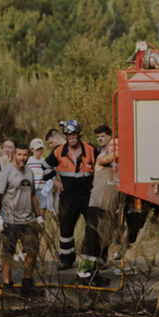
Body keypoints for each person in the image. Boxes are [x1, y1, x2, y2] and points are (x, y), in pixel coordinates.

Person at [42, 119, 98, 270]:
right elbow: (45, 167)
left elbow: (102, 166)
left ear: (79, 134)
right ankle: (66, 260)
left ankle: (94, 260)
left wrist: (97, 185)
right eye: (68, 134)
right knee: (66, 229)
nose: (71, 137)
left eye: (74, 134)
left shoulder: (91, 149)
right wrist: (55, 178)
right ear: (65, 136)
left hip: (88, 196)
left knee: (93, 228)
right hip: (67, 197)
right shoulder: (59, 151)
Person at [0, 144, 44, 296]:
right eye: (20, 155)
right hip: (10, 219)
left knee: (32, 251)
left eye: (25, 155)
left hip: (28, 219)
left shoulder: (29, 171)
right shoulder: (6, 172)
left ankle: (27, 282)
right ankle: (7, 285)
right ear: (14, 155)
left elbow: (33, 194)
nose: (23, 158)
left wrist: (39, 215)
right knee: (8, 252)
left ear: (29, 155)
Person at [76, 126, 120, 284]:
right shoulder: (103, 157)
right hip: (97, 205)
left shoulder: (121, 165)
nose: (115, 148)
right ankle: (82, 273)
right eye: (113, 146)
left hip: (111, 208)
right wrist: (124, 150)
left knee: (102, 241)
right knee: (91, 237)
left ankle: (94, 273)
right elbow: (106, 159)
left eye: (118, 146)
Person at [27, 137, 55, 215]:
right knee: (32, 212)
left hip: (42, 189)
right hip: (31, 190)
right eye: (37, 149)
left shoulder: (44, 161)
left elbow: (48, 175)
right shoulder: (28, 161)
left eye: (41, 149)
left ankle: (42, 226)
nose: (39, 151)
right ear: (32, 149)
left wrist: (50, 188)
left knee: (42, 211)